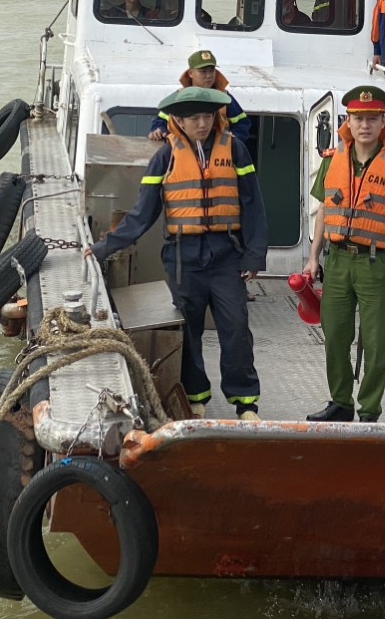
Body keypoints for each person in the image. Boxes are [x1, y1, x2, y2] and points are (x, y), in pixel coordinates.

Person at [92, 86, 268, 420]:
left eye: (207, 116)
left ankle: (246, 402)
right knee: (187, 329)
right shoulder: (166, 155)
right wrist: (103, 248)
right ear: (179, 121)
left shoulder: (235, 149)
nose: (202, 123)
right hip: (182, 257)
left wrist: (253, 256)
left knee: (236, 327)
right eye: (194, 118)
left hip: (225, 254)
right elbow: (142, 212)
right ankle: (196, 396)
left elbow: (253, 204)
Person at [303, 86, 385, 423]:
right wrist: (314, 258)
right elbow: (324, 209)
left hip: (377, 262)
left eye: (372, 118)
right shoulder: (332, 159)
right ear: (348, 121)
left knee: (376, 342)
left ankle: (369, 410)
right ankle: (340, 402)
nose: (365, 125)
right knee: (335, 336)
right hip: (337, 260)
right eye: (358, 118)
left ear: (383, 122)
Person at [149, 49, 251, 143]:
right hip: (186, 153)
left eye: (212, 71)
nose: (209, 75)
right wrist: (158, 130)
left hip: (218, 155)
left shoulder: (225, 98)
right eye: (203, 71)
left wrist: (234, 140)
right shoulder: (179, 97)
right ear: (191, 73)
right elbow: (160, 121)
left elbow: (242, 124)